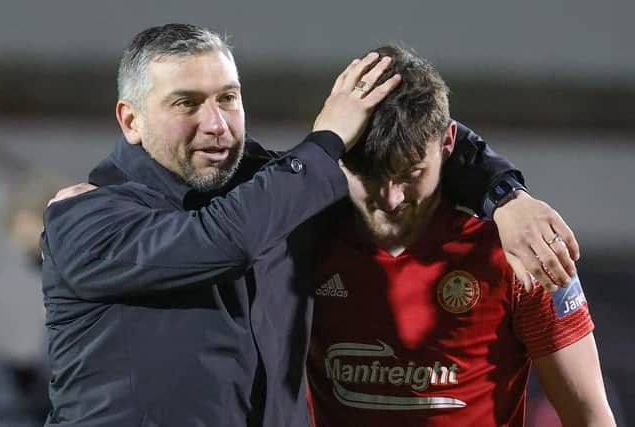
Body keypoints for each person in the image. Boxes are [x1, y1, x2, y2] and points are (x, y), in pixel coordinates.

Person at [42, 24, 578, 427]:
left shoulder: (275, 191)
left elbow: (408, 139)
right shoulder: (85, 218)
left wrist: (505, 195)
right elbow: (222, 239)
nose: (216, 123)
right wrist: (323, 144)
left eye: (228, 98)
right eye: (186, 103)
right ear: (130, 120)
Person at [306, 46, 615, 427]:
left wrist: (508, 197)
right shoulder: (302, 243)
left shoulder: (520, 250)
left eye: (410, 174)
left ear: (448, 143)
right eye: (369, 176)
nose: (389, 198)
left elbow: (589, 417)